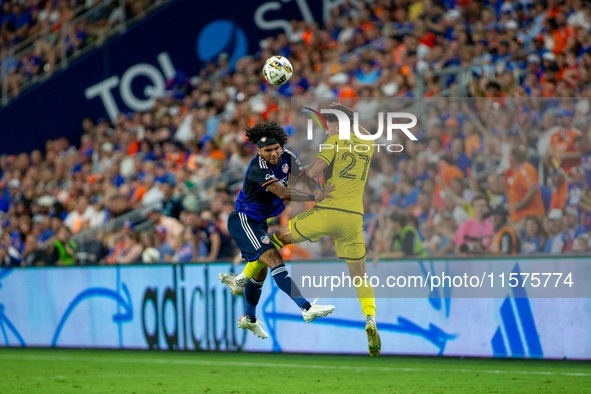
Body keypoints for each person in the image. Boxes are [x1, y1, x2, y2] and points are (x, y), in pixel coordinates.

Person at [222, 103, 382, 356]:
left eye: (330, 124)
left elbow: (313, 170)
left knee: (277, 239)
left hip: (328, 211)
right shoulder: (367, 144)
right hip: (354, 217)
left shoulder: (332, 143)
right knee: (359, 274)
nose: (327, 129)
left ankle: (242, 280)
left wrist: (311, 184)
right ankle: (370, 317)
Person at [218, 122, 335, 340]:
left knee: (260, 273)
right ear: (258, 151)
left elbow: (305, 176)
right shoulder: (257, 167)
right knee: (274, 258)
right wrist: (312, 197)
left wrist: (317, 189)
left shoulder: (287, 157)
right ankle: (306, 307)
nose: (273, 153)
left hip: (259, 223)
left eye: (276, 148)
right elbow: (283, 193)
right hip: (244, 220)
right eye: (268, 150)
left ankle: (249, 318)